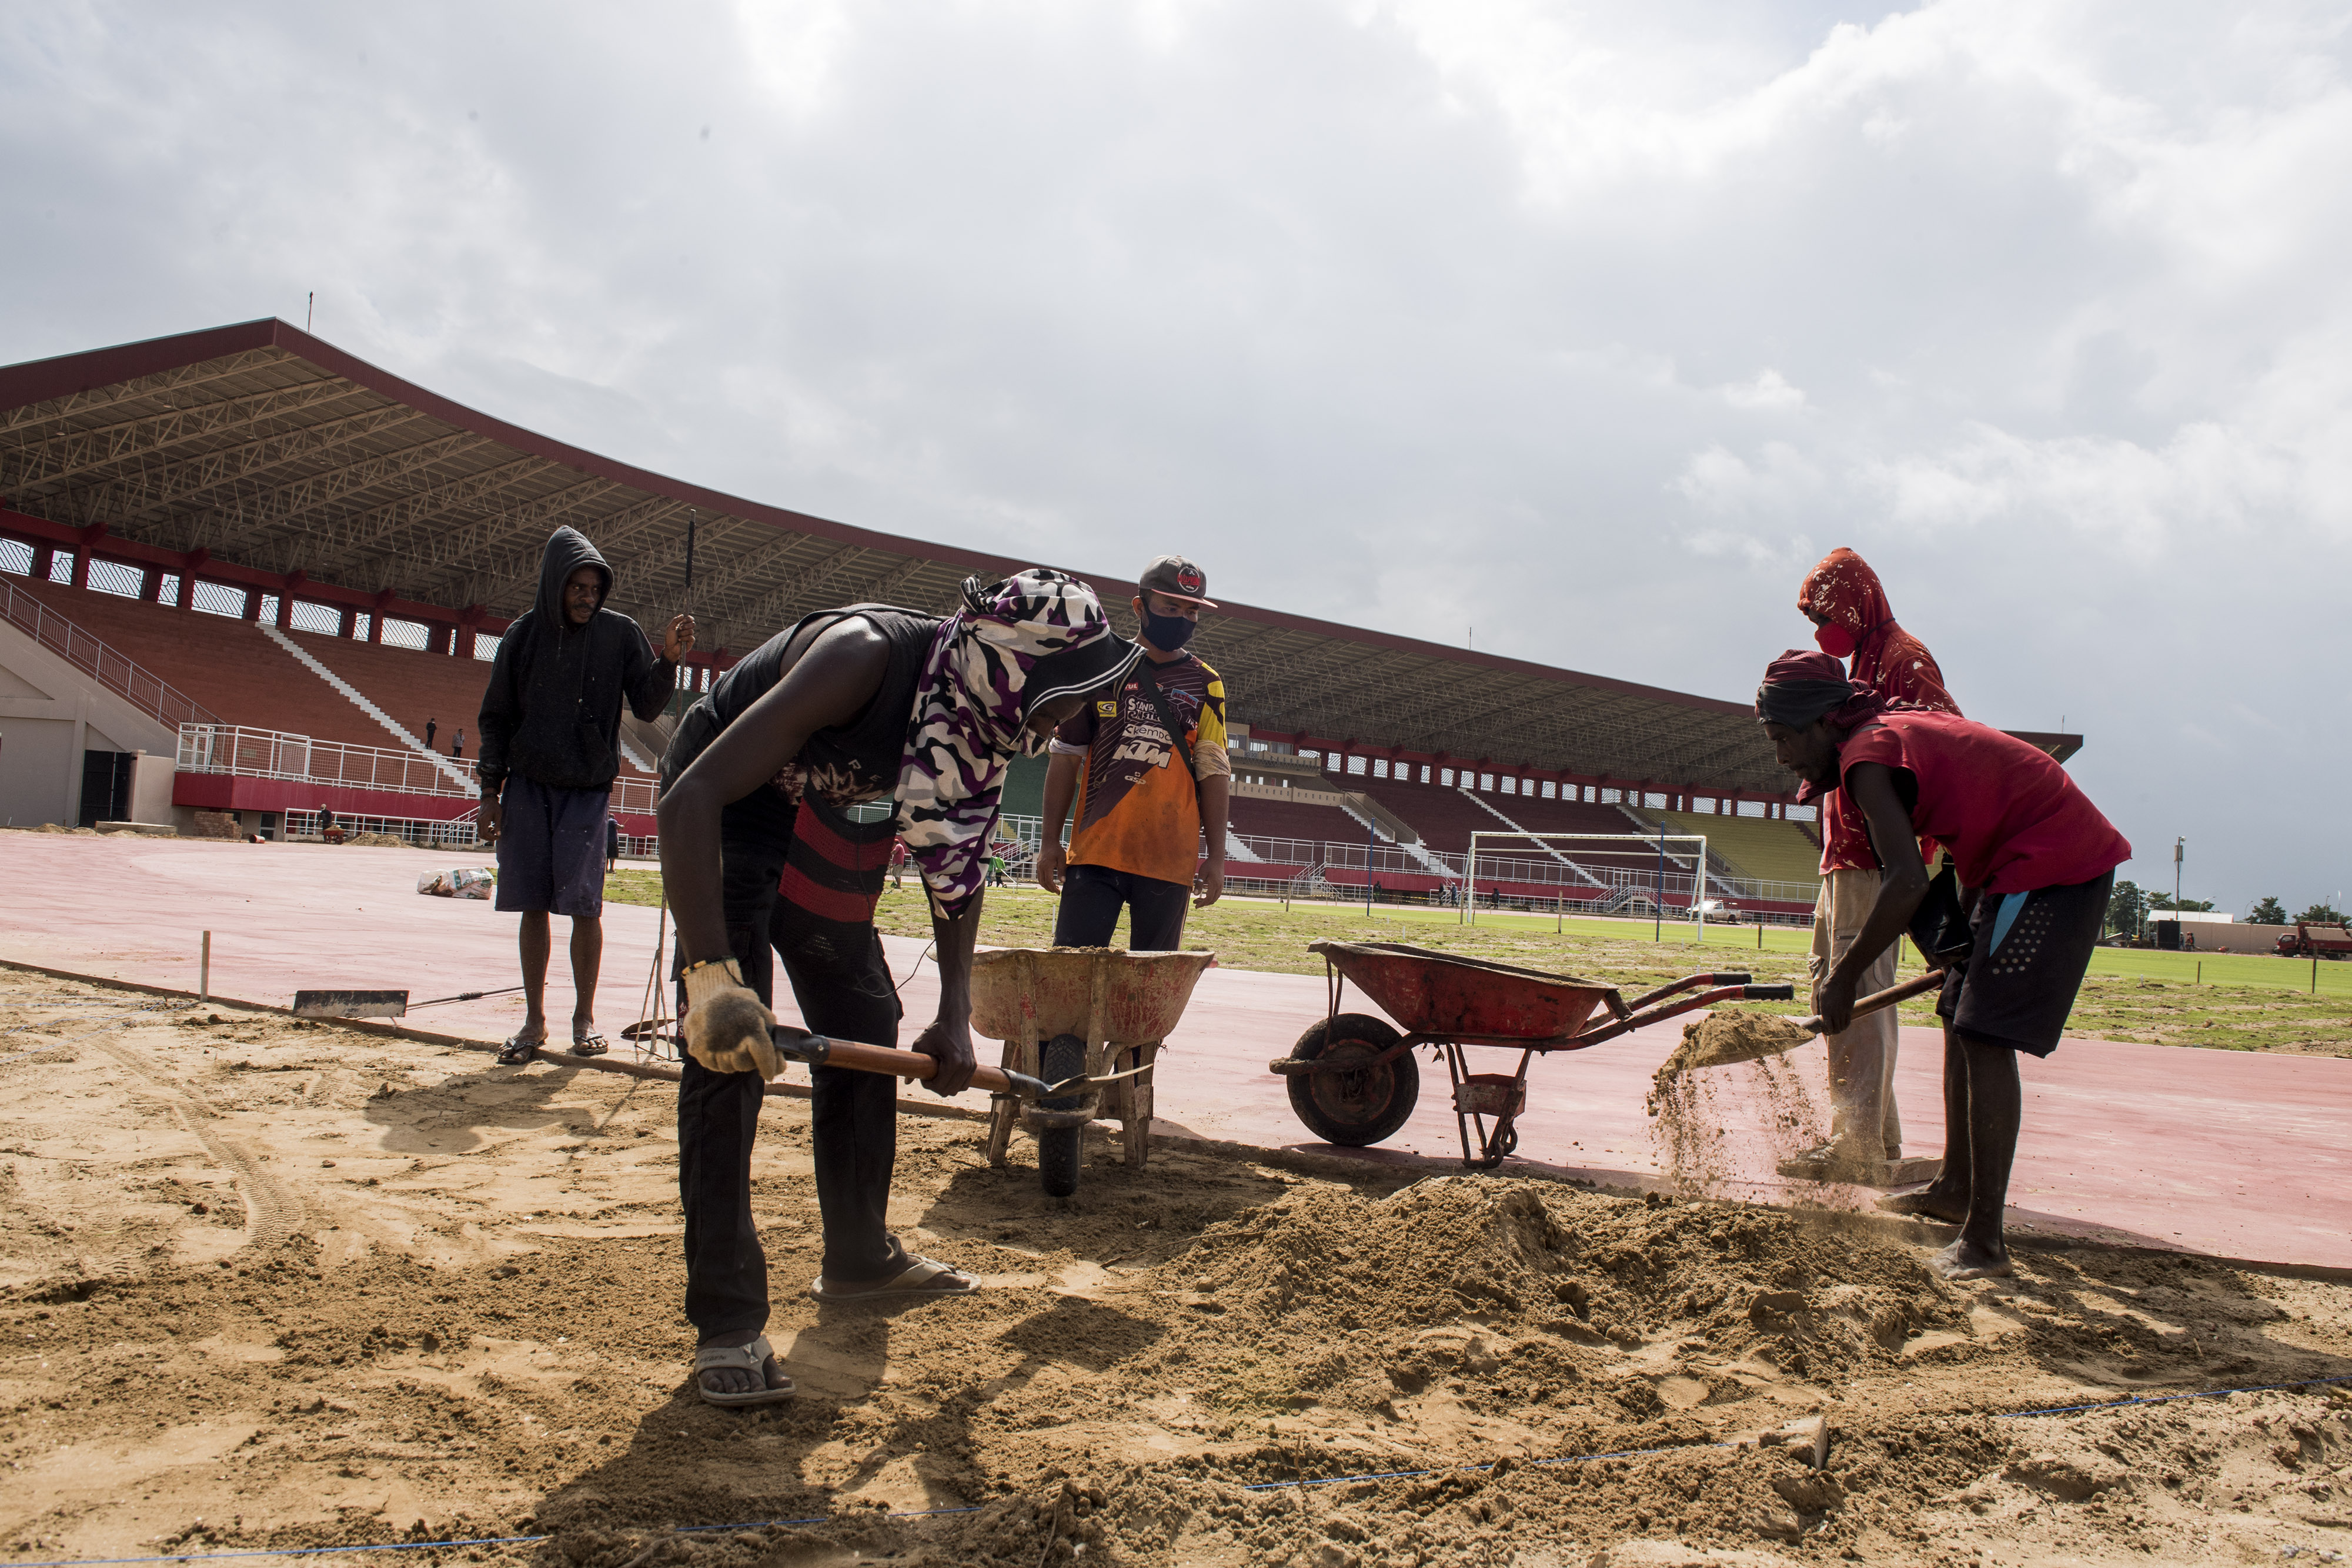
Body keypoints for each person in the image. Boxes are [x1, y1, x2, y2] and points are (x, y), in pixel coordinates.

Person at [657, 570, 1140, 1407]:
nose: (1067, 720)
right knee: (730, 1051)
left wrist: (954, 1019)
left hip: (828, 807)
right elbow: (690, 792)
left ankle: (857, 1254)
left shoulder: (980, 728)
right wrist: (710, 976)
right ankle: (727, 1322)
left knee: (867, 1019)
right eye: (1063, 698)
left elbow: (957, 870)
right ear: (1012, 663)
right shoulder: (861, 658)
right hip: (727, 807)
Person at [1756, 650, 2129, 1281]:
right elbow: (1954, 827)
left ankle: (1984, 1244)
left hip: (2049, 864)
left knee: (1984, 1036)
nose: (1780, 756)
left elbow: (1903, 883)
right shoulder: (1878, 735)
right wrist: (1955, 935)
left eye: (1782, 738)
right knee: (1959, 1015)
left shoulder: (1867, 758)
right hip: (1998, 868)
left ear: (1820, 723)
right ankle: (1954, 1189)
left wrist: (1844, 976)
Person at [477, 526, 693, 1065]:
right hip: (527, 787)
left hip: (587, 790)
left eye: (595, 589)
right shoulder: (521, 637)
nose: (587, 598)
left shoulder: (619, 635)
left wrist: (667, 659)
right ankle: (534, 1020)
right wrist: (489, 791)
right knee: (532, 904)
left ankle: (583, 1016)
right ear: (556, 584)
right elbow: (496, 718)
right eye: (577, 587)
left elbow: (646, 706)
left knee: (583, 907)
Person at [1793, 548, 1962, 1179]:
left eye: (1826, 613)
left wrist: (1917, 839)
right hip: (1843, 853)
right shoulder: (1863, 658)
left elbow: (1943, 735)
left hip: (1875, 854)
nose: (1820, 630)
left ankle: (1855, 1142)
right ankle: (1874, 1137)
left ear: (1859, 603)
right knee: (1829, 979)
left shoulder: (1901, 658)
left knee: (1857, 991)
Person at [1037, 556, 1230, 951]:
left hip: (1169, 860)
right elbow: (1066, 755)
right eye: (1170, 607)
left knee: (1150, 990)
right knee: (1073, 973)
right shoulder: (1101, 668)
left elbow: (1214, 773)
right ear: (1140, 607)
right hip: (1095, 854)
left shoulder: (1208, 684)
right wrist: (1049, 841)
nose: (1182, 618)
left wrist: (1217, 858)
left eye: (1191, 610)